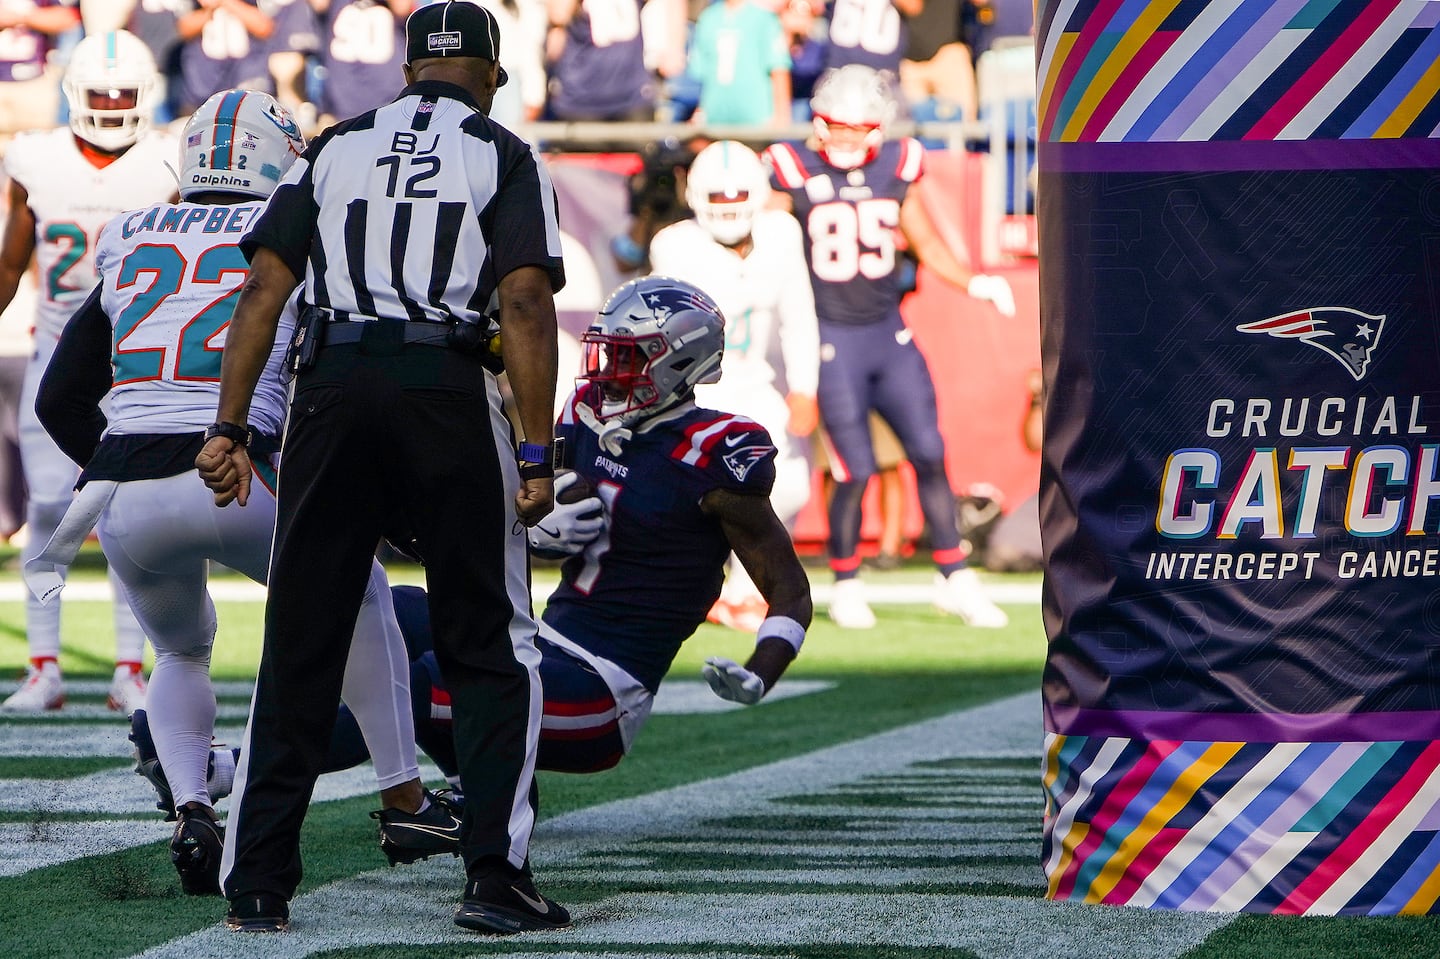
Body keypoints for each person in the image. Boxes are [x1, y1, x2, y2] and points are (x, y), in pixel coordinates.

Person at [195, 0, 569, 935]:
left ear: (407, 72)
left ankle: (259, 884)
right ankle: (493, 874)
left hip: (332, 384)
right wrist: (536, 448)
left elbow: (262, 289)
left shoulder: (333, 146)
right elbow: (523, 300)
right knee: (491, 640)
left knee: (302, 637)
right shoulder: (505, 152)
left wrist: (232, 425)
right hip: (445, 384)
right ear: (492, 72)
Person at [27, 88, 448, 898]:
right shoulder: (298, 228)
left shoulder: (133, 231)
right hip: (240, 468)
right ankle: (403, 796)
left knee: (181, 649)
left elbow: (57, 397)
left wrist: (119, 466)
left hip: (128, 488)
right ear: (278, 156)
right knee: (360, 593)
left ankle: (192, 802)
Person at [763, 63, 1013, 630]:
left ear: (878, 127)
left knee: (929, 451)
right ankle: (846, 581)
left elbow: (922, 238)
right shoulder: (789, 169)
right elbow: (771, 250)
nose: (849, 137)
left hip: (887, 331)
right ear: (820, 123)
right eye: (839, 125)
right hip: (829, 336)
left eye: (859, 126)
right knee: (853, 470)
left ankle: (954, 575)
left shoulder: (899, 166)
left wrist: (975, 281)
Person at [0, 30, 177, 714]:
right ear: (74, 93)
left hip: (136, 364)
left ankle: (128, 667)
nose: (109, 104)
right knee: (48, 509)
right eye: (99, 92)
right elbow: (12, 265)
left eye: (122, 94)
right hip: (55, 358)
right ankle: (44, 665)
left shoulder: (167, 160)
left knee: (128, 512)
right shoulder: (36, 159)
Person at [648, 140, 818, 631]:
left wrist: (804, 387)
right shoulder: (675, 245)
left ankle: (745, 587)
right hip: (696, 392)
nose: (727, 206)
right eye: (716, 198)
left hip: (755, 382)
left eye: (735, 196)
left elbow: (799, 316)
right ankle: (706, 589)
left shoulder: (781, 234)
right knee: (689, 497)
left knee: (790, 486)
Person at [687, 0, 791, 127]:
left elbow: (779, 68)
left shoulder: (764, 18)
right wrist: (701, 112)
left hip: (757, 120)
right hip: (715, 119)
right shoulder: (708, 17)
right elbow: (701, 73)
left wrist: (781, 116)